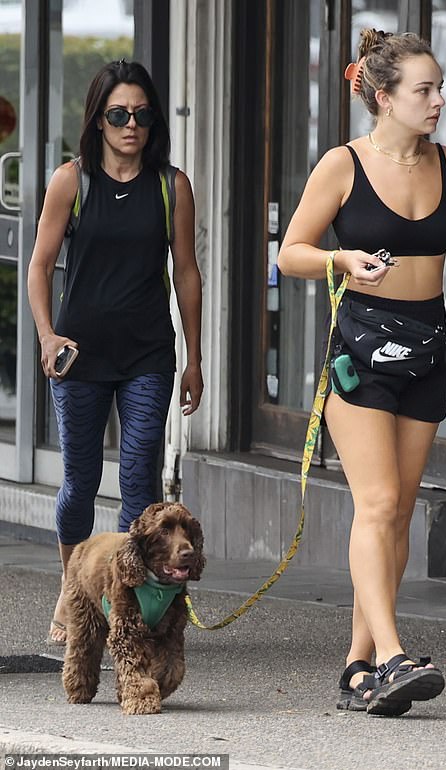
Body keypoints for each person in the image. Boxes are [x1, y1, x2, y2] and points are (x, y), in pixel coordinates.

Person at [277, 30, 446, 717]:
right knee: (375, 504)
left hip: (428, 349)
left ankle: (358, 667)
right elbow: (291, 252)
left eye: (439, 87)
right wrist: (339, 262)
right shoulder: (342, 166)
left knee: (399, 513)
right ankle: (394, 656)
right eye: (424, 90)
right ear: (383, 97)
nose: (439, 101)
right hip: (361, 350)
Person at [27, 60, 203, 646]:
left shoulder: (170, 185)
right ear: (98, 120)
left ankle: (139, 605)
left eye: (142, 115)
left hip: (148, 356)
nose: (132, 125)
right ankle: (73, 594)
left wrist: (194, 357)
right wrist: (49, 336)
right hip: (81, 356)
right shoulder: (71, 181)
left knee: (138, 484)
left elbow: (187, 274)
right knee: (79, 481)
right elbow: (40, 266)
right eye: (119, 115)